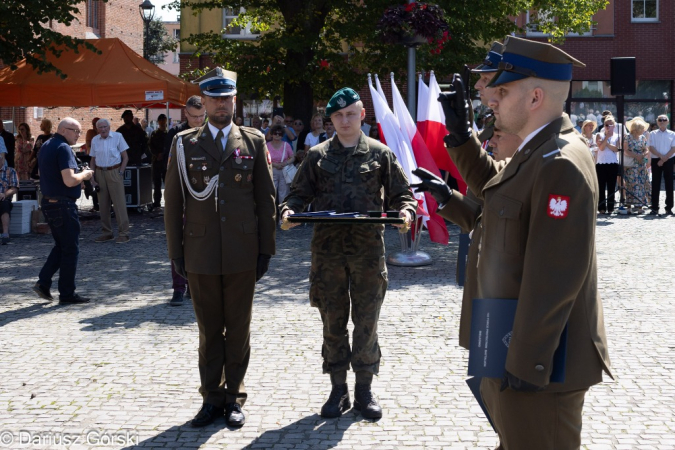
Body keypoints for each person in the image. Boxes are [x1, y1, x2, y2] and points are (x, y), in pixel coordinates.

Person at [438, 35, 612, 449]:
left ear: (535, 97)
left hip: (542, 359)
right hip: (508, 340)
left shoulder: (561, 161)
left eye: (502, 90)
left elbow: (556, 274)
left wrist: (528, 360)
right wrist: (460, 137)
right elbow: (498, 194)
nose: (491, 100)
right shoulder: (536, 152)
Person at [280, 87, 416, 420]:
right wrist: (287, 214)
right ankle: (338, 390)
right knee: (333, 322)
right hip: (328, 256)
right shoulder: (317, 156)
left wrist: (406, 214)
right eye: (338, 116)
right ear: (331, 119)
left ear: (361, 115)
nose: (344, 120)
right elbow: (296, 197)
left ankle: (364, 391)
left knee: (366, 323)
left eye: (350, 114)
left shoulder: (380, 154)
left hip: (368, 253)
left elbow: (404, 196)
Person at [164, 67, 276, 428]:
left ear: (234, 100)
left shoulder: (253, 141)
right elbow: (174, 201)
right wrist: (176, 253)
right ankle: (211, 396)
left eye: (227, 97)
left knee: (238, 328)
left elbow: (266, 199)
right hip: (200, 251)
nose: (221, 103)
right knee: (209, 329)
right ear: (205, 101)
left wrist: (266, 250)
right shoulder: (184, 144)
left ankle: (234, 397)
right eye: (214, 97)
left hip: (243, 251)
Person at [33, 118, 94, 304]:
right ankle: (67, 294)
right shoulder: (63, 148)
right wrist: (84, 175)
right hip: (62, 205)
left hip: (50, 203)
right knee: (70, 250)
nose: (78, 135)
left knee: (62, 246)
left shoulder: (47, 145)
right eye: (76, 131)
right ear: (64, 130)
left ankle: (43, 283)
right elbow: (68, 180)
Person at [163, 95, 206, 307]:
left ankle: (194, 285)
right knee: (178, 242)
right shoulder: (176, 134)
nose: (198, 120)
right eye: (194, 116)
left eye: (201, 116)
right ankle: (178, 288)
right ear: (185, 113)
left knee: (201, 242)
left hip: (205, 193)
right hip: (182, 193)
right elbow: (169, 165)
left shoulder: (210, 131)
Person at [89, 118, 130, 243]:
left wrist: (121, 172)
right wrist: (92, 177)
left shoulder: (118, 136)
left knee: (119, 204)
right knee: (103, 205)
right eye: (100, 127)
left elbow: (125, 157)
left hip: (114, 171)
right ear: (97, 129)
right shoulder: (95, 140)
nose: (103, 129)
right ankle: (107, 232)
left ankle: (124, 233)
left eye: (105, 126)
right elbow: (92, 160)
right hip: (100, 172)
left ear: (109, 127)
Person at [648, 114, 675, 215]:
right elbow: (651, 147)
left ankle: (669, 207)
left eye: (664, 120)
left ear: (668, 122)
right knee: (655, 184)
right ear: (657, 121)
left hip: (669, 159)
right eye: (660, 120)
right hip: (656, 160)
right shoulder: (652, 134)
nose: (662, 121)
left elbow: (674, 148)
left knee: (669, 184)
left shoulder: (672, 134)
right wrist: (660, 157)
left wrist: (664, 159)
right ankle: (655, 207)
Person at [623, 117, 651, 214]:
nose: (644, 130)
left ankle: (640, 206)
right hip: (631, 164)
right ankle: (629, 205)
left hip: (641, 164)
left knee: (641, 184)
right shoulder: (627, 137)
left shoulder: (643, 137)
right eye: (642, 128)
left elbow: (647, 149)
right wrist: (636, 156)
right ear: (637, 128)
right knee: (632, 184)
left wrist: (642, 155)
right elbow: (625, 150)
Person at [595, 115, 620, 214]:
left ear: (614, 126)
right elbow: (601, 148)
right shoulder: (599, 135)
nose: (608, 126)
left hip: (612, 163)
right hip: (601, 163)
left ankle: (610, 207)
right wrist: (607, 138)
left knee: (611, 186)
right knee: (601, 186)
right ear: (604, 125)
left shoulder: (617, 136)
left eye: (611, 124)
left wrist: (606, 143)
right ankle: (601, 207)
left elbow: (616, 149)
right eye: (606, 125)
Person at [267, 124, 295, 206]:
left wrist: (285, 163)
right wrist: (275, 164)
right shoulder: (267, 145)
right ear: (271, 134)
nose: (277, 135)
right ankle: (271, 216)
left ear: (282, 135)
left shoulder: (286, 145)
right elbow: (264, 159)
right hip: (272, 170)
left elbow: (292, 157)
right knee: (271, 194)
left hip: (284, 171)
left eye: (280, 134)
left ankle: (282, 217)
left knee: (284, 195)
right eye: (275, 133)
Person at [149, 114, 169, 208]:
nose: (162, 122)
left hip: (166, 162)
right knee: (156, 182)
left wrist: (163, 154)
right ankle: (157, 201)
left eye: (163, 120)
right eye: (160, 120)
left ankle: (168, 201)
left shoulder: (169, 133)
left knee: (167, 182)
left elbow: (170, 146)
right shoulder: (154, 134)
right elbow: (151, 146)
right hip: (156, 161)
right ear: (158, 122)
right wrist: (157, 154)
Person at [0, 160, 19, 245]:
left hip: (4, 197)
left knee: (4, 205)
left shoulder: (10, 171)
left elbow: (14, 188)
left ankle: (5, 234)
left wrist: (4, 194)